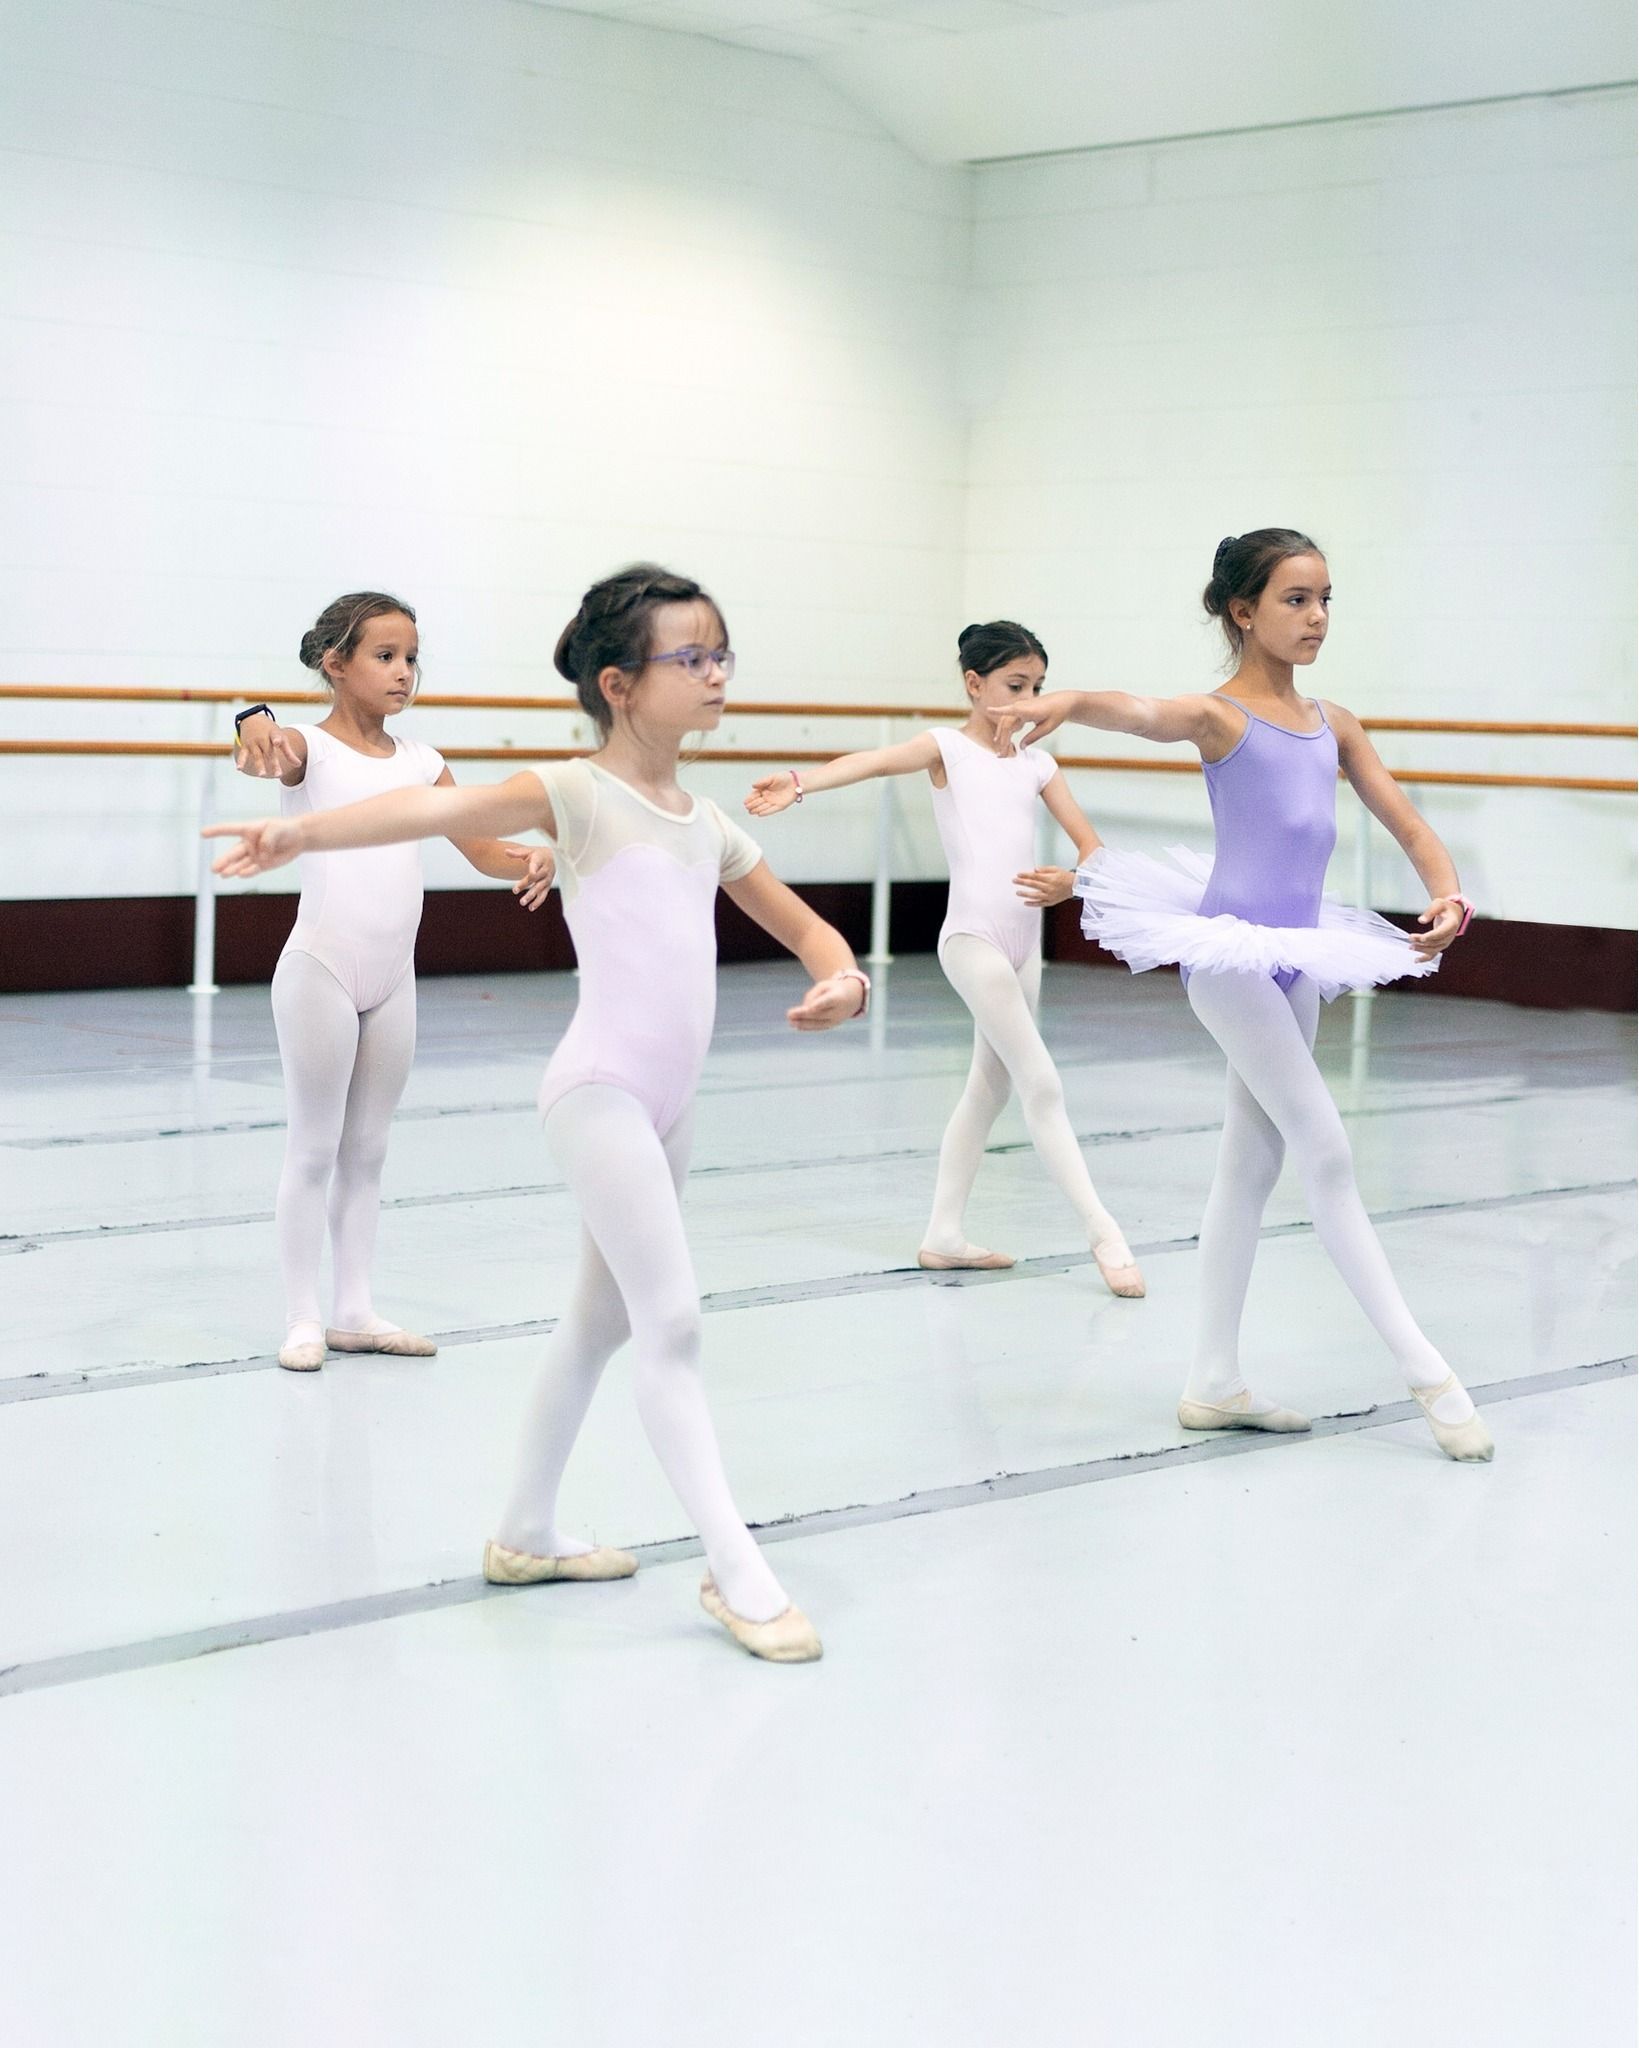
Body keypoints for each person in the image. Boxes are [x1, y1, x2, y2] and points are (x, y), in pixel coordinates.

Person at [209, 565, 870, 1660]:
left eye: (721, 654)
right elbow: (435, 806)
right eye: (689, 656)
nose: (715, 673)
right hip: (599, 1093)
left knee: (599, 1322)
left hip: (670, 1108)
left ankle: (524, 1532)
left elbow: (808, 930)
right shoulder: (576, 791)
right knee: (671, 1323)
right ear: (618, 683)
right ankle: (738, 1571)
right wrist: (298, 837)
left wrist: (842, 976)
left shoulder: (705, 823)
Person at [990, 531, 1491, 1461]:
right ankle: (1428, 1373)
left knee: (1248, 1168)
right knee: (1325, 1150)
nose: (1316, 617)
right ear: (1242, 611)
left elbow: (1408, 822)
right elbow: (1142, 711)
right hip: (1228, 959)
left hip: (1300, 953)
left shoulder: (1335, 724)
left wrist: (1446, 894)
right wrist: (1068, 702)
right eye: (1295, 600)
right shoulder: (1220, 718)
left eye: (1325, 599)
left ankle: (1212, 1383)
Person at [747, 621, 1143, 1296]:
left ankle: (943, 1236)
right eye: (1015, 685)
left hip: (1025, 947)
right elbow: (873, 763)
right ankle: (1104, 1232)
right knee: (1040, 1083)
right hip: (972, 940)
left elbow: (1092, 849)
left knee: (989, 1088)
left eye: (1037, 688)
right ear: (974, 684)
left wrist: (1074, 882)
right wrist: (798, 782)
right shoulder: (946, 749)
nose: (1028, 701)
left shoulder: (1037, 764)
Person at [233, 592, 552, 1374]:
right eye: (384, 656)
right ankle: (302, 1318)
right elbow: (259, 748)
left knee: (369, 1150)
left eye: (411, 657)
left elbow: (481, 847)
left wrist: (533, 855)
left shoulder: (423, 762)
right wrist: (253, 720)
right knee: (314, 1147)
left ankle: (353, 1311)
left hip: (392, 980)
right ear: (335, 664)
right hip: (320, 972)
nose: (403, 671)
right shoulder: (308, 747)